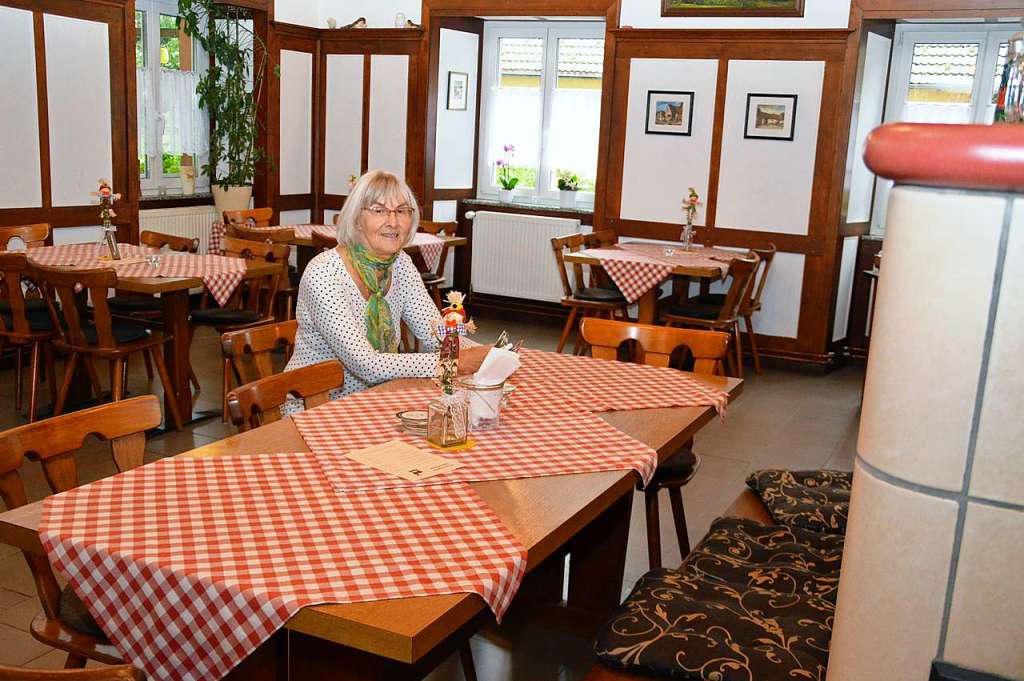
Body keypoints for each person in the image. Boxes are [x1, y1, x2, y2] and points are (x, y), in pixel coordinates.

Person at [282, 170, 489, 413]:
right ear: (357, 219)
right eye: (379, 210)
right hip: (316, 408)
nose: (393, 222)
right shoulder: (324, 273)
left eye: (402, 211)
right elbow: (367, 365)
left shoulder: (400, 263)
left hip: (377, 400)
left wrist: (482, 354)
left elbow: (434, 332)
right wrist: (454, 364)